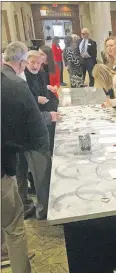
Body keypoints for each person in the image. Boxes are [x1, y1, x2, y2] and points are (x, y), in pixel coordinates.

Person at [1, 41, 49, 273]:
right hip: (3, 168)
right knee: (15, 227)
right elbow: (35, 128)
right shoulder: (13, 85)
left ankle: (3, 251)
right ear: (21, 62)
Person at [16, 50, 58, 219]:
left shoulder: (39, 74)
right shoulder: (19, 79)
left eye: (38, 63)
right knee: (26, 170)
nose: (34, 66)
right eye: (31, 62)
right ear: (24, 62)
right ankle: (32, 207)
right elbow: (25, 106)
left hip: (35, 125)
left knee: (31, 170)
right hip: (26, 133)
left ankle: (30, 203)